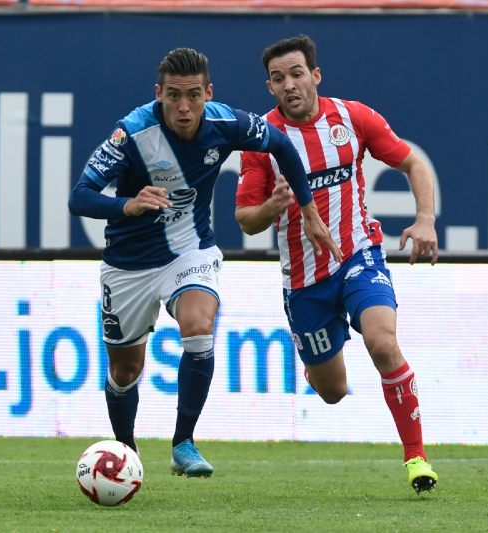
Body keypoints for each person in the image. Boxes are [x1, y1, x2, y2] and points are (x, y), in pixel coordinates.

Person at [68, 47, 340, 478]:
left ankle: (184, 443)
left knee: (198, 326)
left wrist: (307, 210)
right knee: (124, 370)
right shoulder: (132, 131)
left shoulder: (224, 122)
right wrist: (127, 205)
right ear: (158, 93)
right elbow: (79, 196)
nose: (183, 107)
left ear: (208, 92)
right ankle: (127, 452)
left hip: (189, 251)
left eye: (193, 95)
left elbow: (282, 144)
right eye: (173, 95)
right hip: (128, 265)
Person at [235, 35, 439, 493]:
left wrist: (425, 220)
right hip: (305, 282)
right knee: (331, 391)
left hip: (358, 256)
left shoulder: (353, 117)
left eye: (297, 73)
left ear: (316, 75)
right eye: (278, 78)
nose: (289, 84)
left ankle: (417, 459)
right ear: (269, 87)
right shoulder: (261, 139)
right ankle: (316, 363)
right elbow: (246, 220)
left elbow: (414, 164)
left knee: (383, 344)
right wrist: (273, 207)